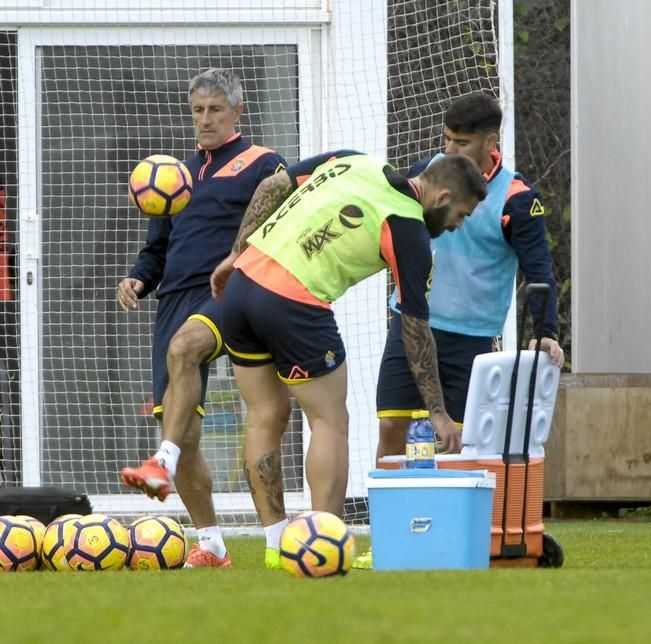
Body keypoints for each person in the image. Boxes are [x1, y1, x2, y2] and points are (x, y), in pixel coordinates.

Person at [209, 150, 487, 568]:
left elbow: (272, 185)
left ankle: (274, 545)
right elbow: (415, 329)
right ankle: (323, 545)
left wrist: (235, 252)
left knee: (264, 416)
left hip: (243, 282)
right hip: (293, 304)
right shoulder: (409, 228)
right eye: (461, 215)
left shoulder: (357, 161)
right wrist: (438, 413)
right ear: (443, 196)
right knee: (330, 421)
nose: (457, 226)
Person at [351, 93, 564, 570]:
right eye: (445, 139)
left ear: (491, 142)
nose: (449, 150)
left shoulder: (516, 197)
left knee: (463, 445)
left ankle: (458, 540)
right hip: (411, 325)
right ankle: (383, 541)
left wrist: (547, 330)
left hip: (472, 342)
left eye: (461, 142)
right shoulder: (427, 174)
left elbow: (539, 269)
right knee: (391, 426)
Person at [118, 68, 286, 568]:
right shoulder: (173, 175)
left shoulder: (265, 163)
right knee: (184, 430)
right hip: (175, 297)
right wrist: (138, 279)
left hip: (234, 289)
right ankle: (211, 543)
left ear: (239, 111)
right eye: (198, 110)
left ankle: (161, 465)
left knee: (186, 349)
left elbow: (280, 228)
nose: (206, 119)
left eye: (216, 109)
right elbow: (159, 250)